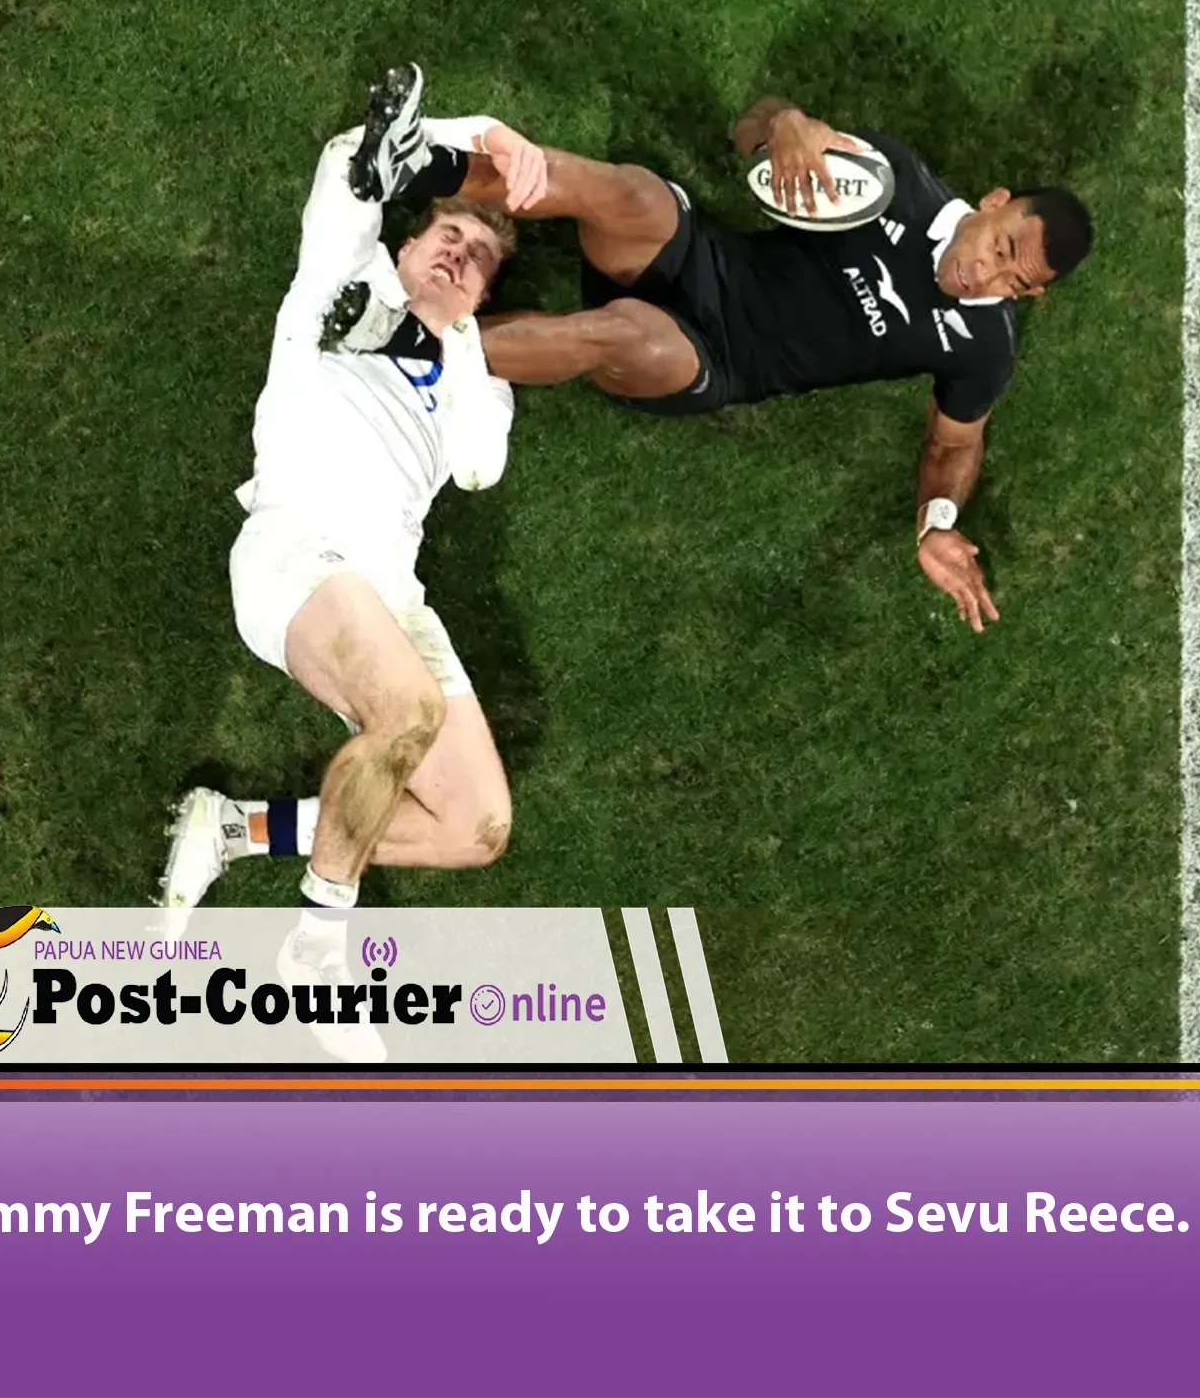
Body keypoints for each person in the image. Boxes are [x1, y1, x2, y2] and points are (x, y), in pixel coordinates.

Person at [338, 96, 1093, 634]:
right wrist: (786, 123)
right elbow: (748, 130)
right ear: (994, 201)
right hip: (703, 260)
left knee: (628, 333)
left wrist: (937, 522)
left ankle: (407, 338)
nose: (987, 276)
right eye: (1002, 247)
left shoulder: (984, 346)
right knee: (631, 190)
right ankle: (415, 164)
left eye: (1015, 282)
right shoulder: (891, 179)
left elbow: (953, 445)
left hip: (711, 358)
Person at [157, 65, 550, 1061]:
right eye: (447, 235)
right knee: (406, 715)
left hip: (391, 593)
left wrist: (459, 334)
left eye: (479, 261)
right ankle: (317, 951)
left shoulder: (472, 377)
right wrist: (477, 132)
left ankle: (235, 828)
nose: (459, 255)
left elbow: (480, 465)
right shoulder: (344, 277)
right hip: (295, 547)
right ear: (407, 239)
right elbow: (352, 163)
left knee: (476, 825)